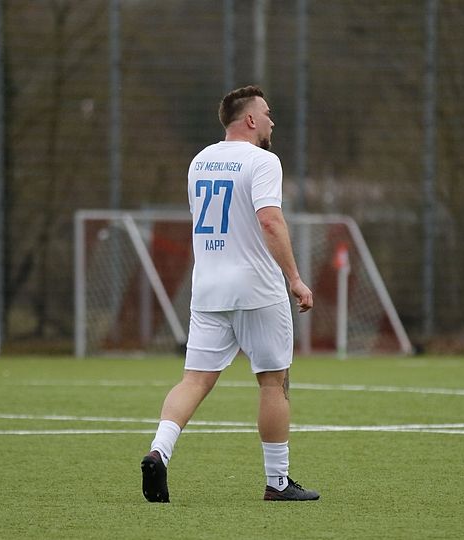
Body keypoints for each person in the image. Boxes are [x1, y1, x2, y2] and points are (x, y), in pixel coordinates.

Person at [140, 85, 319, 503]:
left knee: (194, 380)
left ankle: (159, 452)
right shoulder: (263, 161)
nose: (272, 121)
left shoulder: (200, 160)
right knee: (273, 382)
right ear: (251, 119)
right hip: (256, 288)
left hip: (207, 288)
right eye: (267, 113)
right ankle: (277, 483)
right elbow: (270, 221)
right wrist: (295, 278)